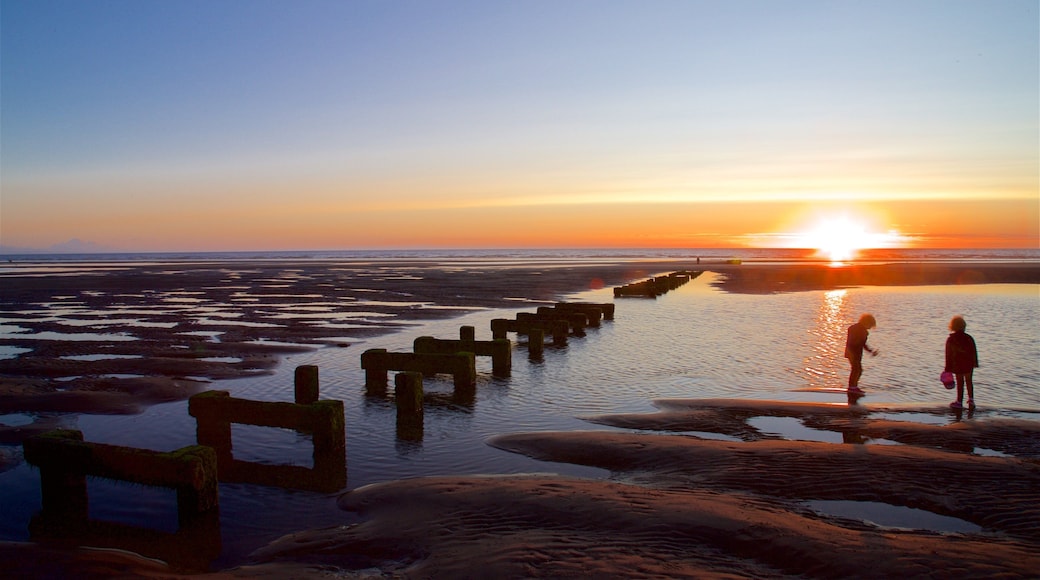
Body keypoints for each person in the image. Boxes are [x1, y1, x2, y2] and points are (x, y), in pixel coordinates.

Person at [945, 316, 979, 409]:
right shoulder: (969, 338)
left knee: (960, 382)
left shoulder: (951, 339)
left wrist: (947, 368)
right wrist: (975, 363)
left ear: (952, 326)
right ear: (964, 326)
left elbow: (948, 354)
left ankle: (959, 401)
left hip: (958, 363)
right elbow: (973, 351)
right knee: (969, 381)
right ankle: (971, 400)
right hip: (968, 363)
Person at [844, 314, 877, 393]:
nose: (870, 328)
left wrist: (870, 351)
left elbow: (862, 343)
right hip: (854, 353)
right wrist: (870, 351)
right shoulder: (862, 331)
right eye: (870, 325)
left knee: (857, 369)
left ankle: (853, 386)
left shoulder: (853, 328)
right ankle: (852, 387)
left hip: (851, 352)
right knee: (857, 370)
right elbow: (861, 343)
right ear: (866, 322)